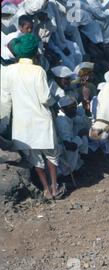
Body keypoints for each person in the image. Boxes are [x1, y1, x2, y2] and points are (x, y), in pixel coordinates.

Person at [0, 33, 64, 200]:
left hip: (22, 124)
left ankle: (46, 190)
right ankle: (55, 187)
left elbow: (5, 101)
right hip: (41, 120)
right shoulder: (38, 71)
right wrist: (53, 101)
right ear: (35, 52)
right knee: (51, 155)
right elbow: (45, 98)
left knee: (35, 159)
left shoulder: (7, 71)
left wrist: (5, 124)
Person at [55, 96, 89, 177]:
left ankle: (80, 162)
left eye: (74, 107)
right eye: (71, 108)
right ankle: (68, 172)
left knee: (81, 129)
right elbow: (69, 146)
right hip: (62, 150)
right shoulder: (62, 121)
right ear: (63, 109)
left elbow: (84, 121)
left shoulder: (70, 115)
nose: (74, 109)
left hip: (69, 143)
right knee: (77, 142)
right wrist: (80, 135)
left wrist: (87, 109)